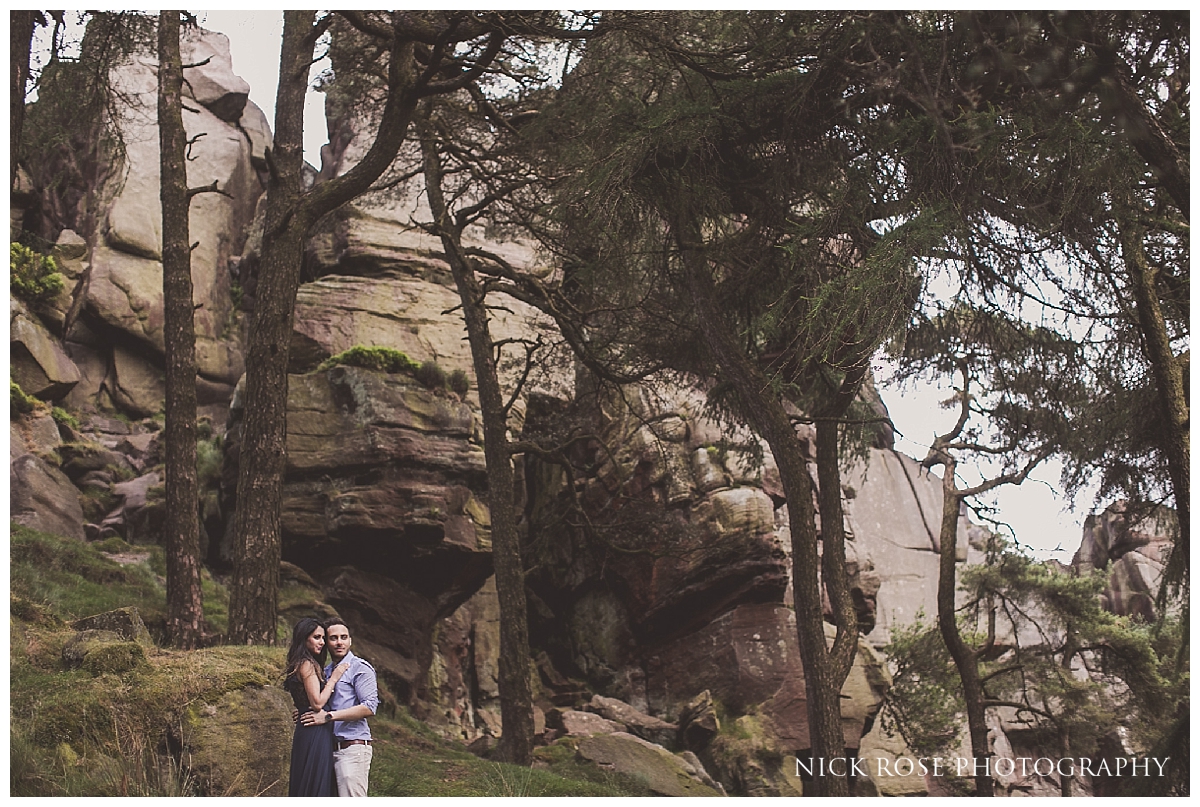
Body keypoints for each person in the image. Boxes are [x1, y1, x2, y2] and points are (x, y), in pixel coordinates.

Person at [299, 617, 379, 797]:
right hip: (327, 749)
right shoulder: (326, 671)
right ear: (326, 642)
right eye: (333, 638)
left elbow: (369, 707)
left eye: (344, 637)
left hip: (352, 748)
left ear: (350, 640)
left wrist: (328, 716)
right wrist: (307, 711)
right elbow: (323, 701)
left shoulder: (360, 668)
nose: (339, 642)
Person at [284, 617, 350, 797]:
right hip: (315, 731)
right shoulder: (307, 664)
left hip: (308, 727)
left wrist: (303, 709)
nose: (322, 642)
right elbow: (317, 703)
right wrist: (334, 678)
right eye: (316, 637)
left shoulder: (300, 662)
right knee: (315, 782)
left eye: (322, 638)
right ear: (304, 638)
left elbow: (307, 701)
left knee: (307, 779)